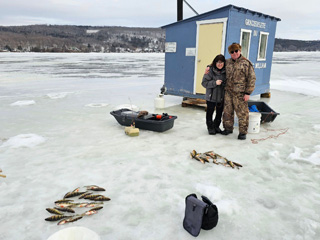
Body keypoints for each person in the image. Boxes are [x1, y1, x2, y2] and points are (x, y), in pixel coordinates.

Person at [221, 43, 256, 140]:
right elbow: (217, 65)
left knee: (242, 113)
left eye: (236, 51)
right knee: (227, 112)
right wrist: (208, 67)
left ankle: (242, 132)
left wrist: (248, 93)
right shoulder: (227, 62)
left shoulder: (246, 63)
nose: (234, 53)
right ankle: (228, 129)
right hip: (228, 92)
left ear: (240, 51)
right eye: (232, 52)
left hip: (240, 93)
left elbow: (252, 78)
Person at [201, 54, 226, 135]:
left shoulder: (226, 71)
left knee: (219, 113)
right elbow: (204, 83)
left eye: (221, 62)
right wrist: (215, 83)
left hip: (221, 97)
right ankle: (210, 127)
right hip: (211, 97)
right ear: (215, 63)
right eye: (218, 62)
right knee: (210, 112)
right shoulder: (210, 71)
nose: (220, 64)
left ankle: (216, 126)